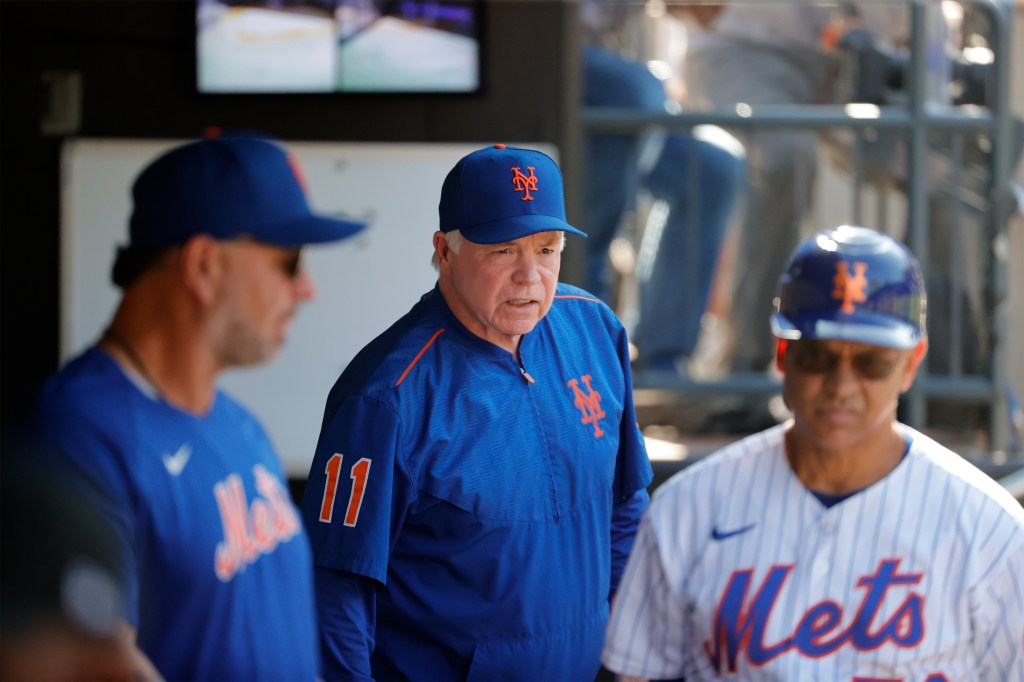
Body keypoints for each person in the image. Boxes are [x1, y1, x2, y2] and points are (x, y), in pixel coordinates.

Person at [601, 225, 1024, 680]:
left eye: (870, 363)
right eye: (818, 357)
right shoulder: (688, 507)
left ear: (910, 365)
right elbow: (637, 673)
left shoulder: (990, 530)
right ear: (783, 354)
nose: (841, 386)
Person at [300, 144, 654, 680]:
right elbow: (335, 595)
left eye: (548, 248)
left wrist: (627, 654)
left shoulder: (594, 330)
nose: (530, 275)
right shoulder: (383, 397)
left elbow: (626, 503)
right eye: (503, 251)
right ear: (445, 250)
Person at [30, 134, 367, 680]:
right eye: (288, 262)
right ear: (204, 265)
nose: (306, 290)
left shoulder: (238, 425)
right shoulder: (77, 439)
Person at [581, 18, 745, 377]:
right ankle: (586, 356)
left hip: (603, 85)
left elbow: (703, 11)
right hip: (534, 65)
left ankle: (660, 364)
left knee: (713, 167)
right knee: (635, 92)